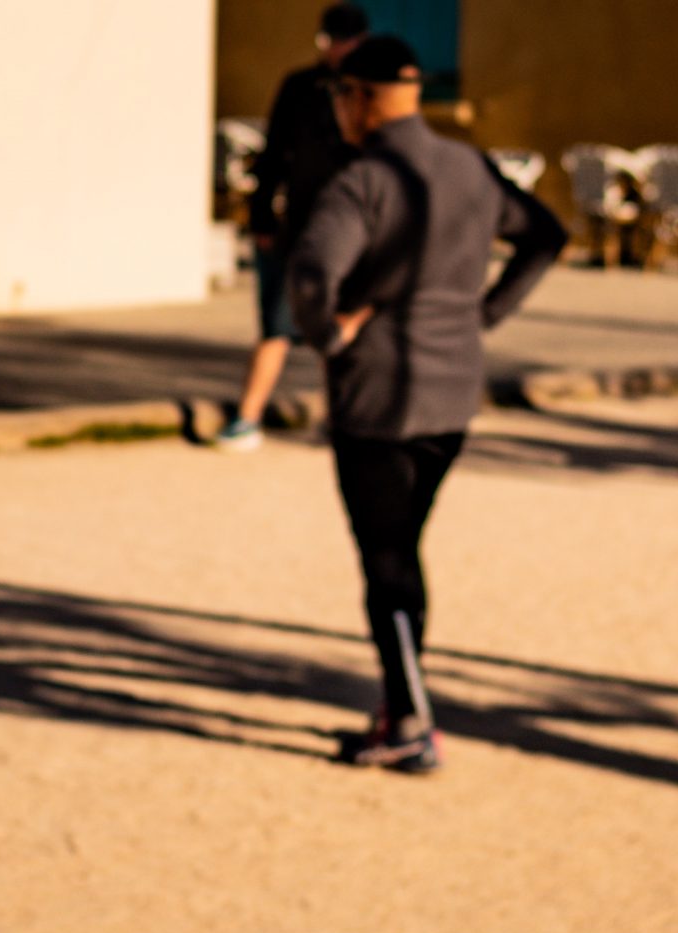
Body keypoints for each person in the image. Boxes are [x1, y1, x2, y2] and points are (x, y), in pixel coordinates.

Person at [286, 35, 567, 772]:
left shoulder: (364, 182)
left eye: (341, 95)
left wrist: (328, 335)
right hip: (452, 395)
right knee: (404, 551)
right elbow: (546, 234)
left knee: (385, 562)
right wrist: (487, 312)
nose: (339, 110)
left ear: (362, 98)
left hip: (378, 396)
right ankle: (398, 706)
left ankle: (411, 721)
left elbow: (313, 272)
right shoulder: (469, 168)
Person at [219, 4, 368, 452]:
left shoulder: (368, 92)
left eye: (343, 41)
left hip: (351, 234)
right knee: (276, 328)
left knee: (339, 331)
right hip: (296, 229)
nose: (334, 50)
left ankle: (346, 419)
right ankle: (247, 418)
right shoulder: (300, 88)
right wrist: (262, 218)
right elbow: (273, 156)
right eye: (329, 41)